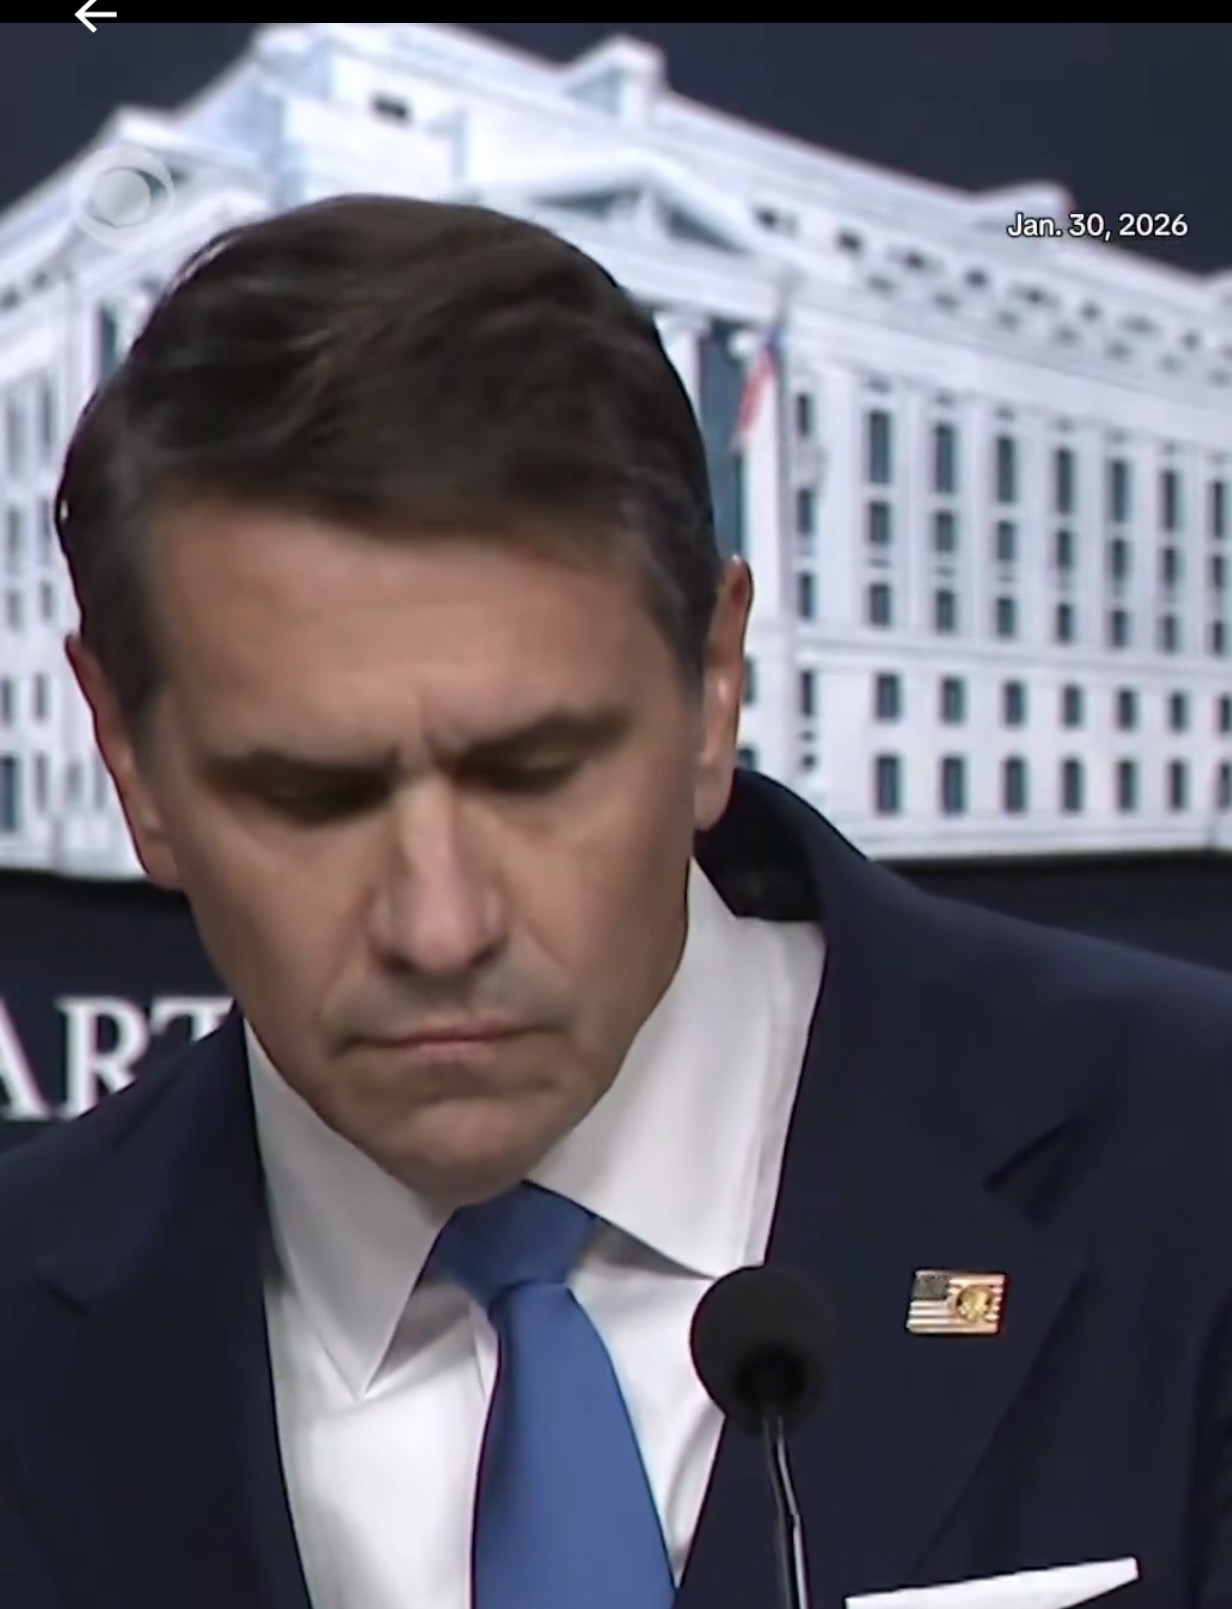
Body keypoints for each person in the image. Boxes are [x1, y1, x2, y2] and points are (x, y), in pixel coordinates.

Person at [0, 195, 1229, 1609]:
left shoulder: (1192, 1172)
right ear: (129, 758)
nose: (441, 927)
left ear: (713, 687)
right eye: (310, 796)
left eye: (534, 774)